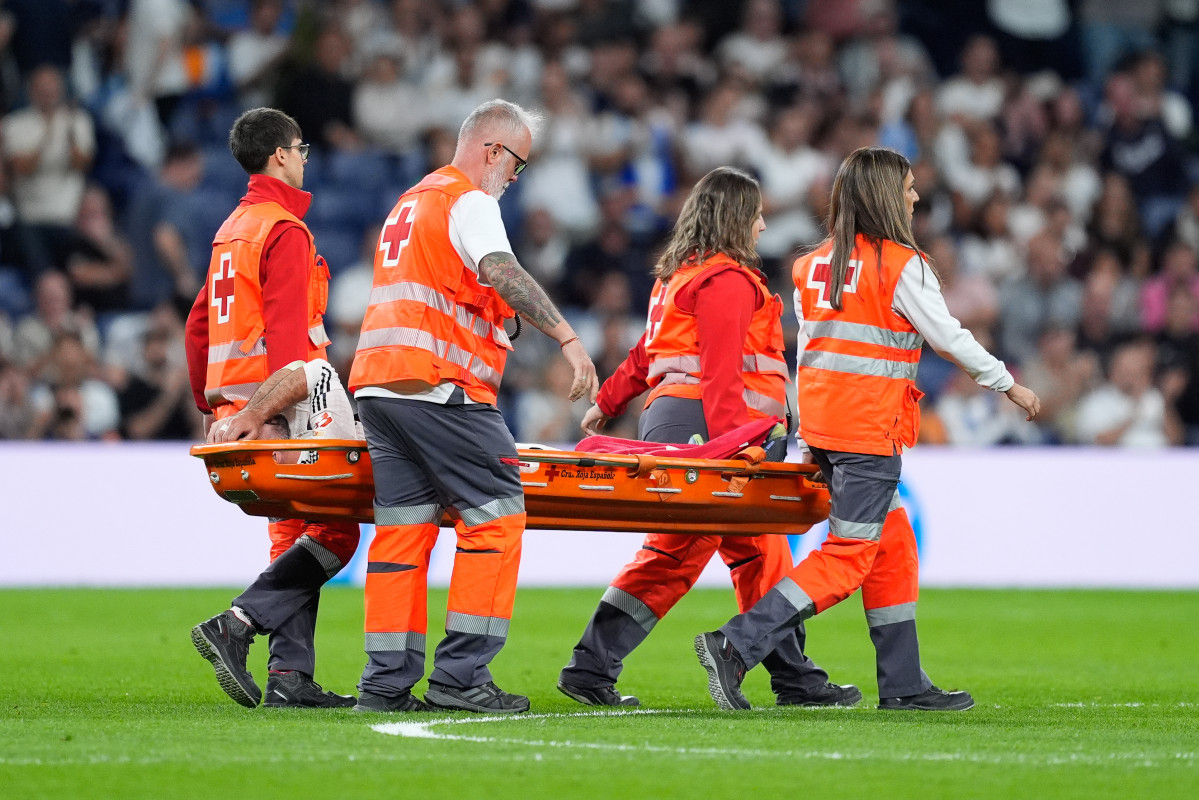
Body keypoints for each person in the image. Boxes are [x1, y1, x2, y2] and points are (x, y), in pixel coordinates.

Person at [695, 147, 1041, 712]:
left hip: (827, 428)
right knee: (850, 556)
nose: (916, 196)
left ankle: (903, 684)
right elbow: (948, 337)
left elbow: (805, 353)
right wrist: (1008, 383)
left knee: (895, 545)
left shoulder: (813, 265)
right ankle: (735, 644)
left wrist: (803, 429)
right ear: (885, 194)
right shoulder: (903, 265)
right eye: (907, 187)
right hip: (867, 432)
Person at [556, 167, 860, 709]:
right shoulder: (728, 281)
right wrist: (736, 446)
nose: (764, 226)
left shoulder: (677, 278)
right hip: (713, 426)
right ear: (737, 218)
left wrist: (607, 403)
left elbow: (647, 354)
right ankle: (590, 666)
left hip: (676, 419)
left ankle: (796, 679)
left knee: (759, 551)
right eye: (757, 214)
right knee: (682, 550)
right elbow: (721, 372)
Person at [348, 99, 598, 714]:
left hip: (381, 386)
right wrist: (566, 335)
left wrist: (498, 319)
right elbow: (498, 268)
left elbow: (445, 287)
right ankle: (461, 678)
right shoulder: (471, 200)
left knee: (402, 532)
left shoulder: (411, 201)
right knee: (498, 515)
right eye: (516, 164)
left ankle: (384, 684)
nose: (515, 178)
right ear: (492, 150)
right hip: (441, 386)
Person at [185, 108, 361, 710]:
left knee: (293, 532)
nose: (306, 156)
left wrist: (218, 407)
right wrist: (262, 412)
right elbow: (290, 350)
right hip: (280, 405)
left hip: (240, 406)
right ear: (281, 154)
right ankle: (236, 624)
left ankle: (289, 675)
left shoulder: (232, 229)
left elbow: (198, 329)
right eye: (301, 147)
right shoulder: (285, 232)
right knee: (335, 534)